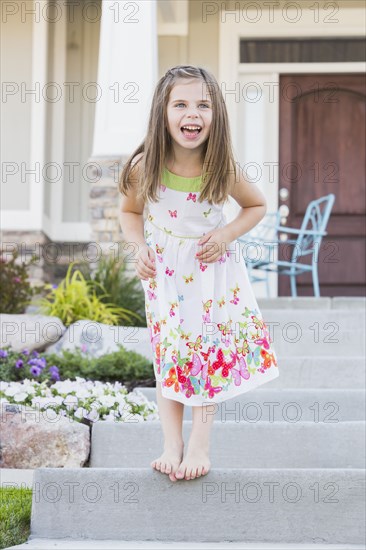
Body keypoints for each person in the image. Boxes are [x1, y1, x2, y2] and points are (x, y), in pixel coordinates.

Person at [119, 65, 279, 483]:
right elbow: (129, 212)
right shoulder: (143, 166)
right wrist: (138, 248)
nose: (193, 113)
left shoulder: (220, 166)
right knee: (170, 355)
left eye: (203, 105)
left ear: (216, 114)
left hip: (211, 275)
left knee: (206, 356)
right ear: (163, 112)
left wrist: (225, 235)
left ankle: (200, 445)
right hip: (166, 277)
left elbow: (256, 205)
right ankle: (172, 444)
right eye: (182, 104)